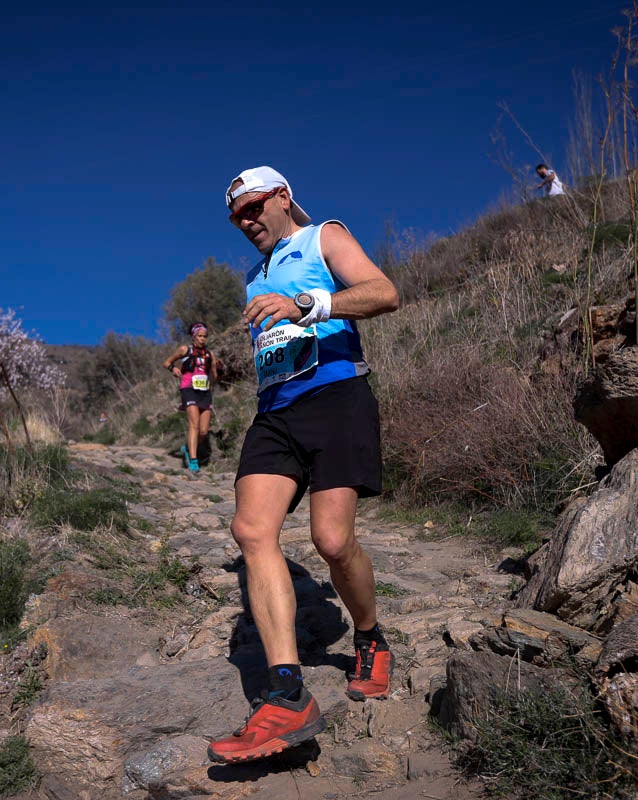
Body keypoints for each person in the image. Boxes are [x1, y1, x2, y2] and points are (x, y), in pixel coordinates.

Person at [207, 166, 400, 764]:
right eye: (236, 217)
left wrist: (305, 305)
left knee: (332, 542)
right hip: (275, 412)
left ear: (283, 197)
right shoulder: (252, 277)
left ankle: (369, 638)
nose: (246, 223)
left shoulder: (323, 237)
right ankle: (287, 694)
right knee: (251, 530)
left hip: (336, 396)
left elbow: (383, 293)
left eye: (253, 208)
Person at [163, 322, 218, 475]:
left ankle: (188, 448)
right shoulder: (184, 349)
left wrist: (218, 369)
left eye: (205, 336)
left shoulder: (210, 354)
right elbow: (166, 362)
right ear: (194, 336)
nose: (202, 339)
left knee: (203, 431)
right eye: (200, 336)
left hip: (205, 392)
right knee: (194, 424)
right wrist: (173, 368)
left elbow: (215, 377)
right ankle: (193, 460)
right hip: (188, 388)